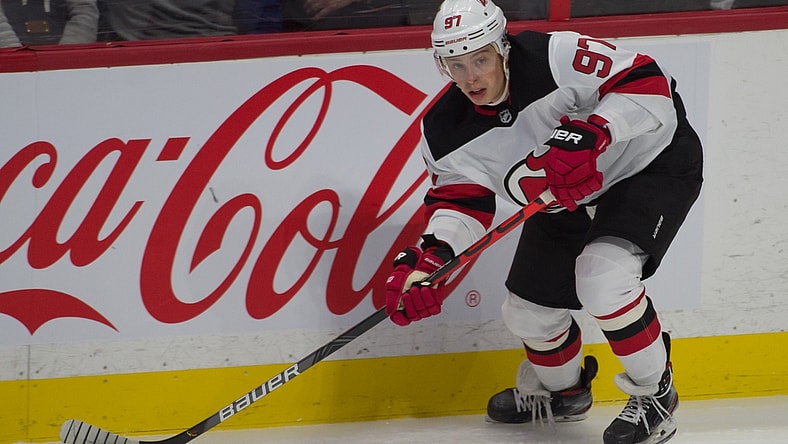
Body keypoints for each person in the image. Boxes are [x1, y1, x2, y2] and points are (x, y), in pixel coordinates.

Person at [383, 1, 703, 443]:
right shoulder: (443, 131)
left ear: (502, 49)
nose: (471, 77)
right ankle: (564, 394)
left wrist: (596, 131)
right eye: (456, 65)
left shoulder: (557, 56)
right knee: (527, 314)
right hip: (560, 199)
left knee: (603, 278)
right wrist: (432, 259)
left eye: (480, 59)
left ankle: (655, 395)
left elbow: (648, 81)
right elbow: (461, 203)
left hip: (647, 165)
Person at [0, 0, 98, 47]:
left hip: (68, 61)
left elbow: (85, 13)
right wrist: (13, 52)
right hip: (8, 64)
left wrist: (64, 53)